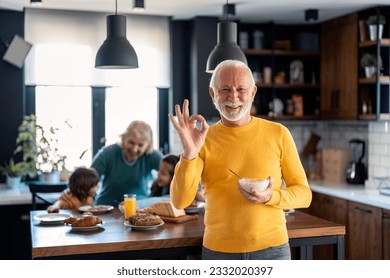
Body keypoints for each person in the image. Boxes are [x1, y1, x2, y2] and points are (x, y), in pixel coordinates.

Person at [169, 60, 312, 260]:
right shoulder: (202, 139)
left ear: (252, 93)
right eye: (225, 89)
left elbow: (304, 195)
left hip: (273, 250)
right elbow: (180, 201)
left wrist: (271, 197)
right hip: (219, 252)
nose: (233, 97)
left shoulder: (278, 133)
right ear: (213, 94)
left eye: (241, 89)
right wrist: (190, 153)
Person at [92, 120, 163, 206]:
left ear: (148, 145)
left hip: (139, 208)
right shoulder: (109, 153)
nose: (134, 149)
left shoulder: (152, 156)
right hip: (107, 207)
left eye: (140, 145)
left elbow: (174, 174)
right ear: (124, 139)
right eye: (131, 142)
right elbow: (89, 177)